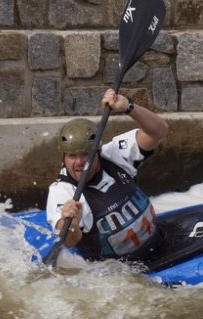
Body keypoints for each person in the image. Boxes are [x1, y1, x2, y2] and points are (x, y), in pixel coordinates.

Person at [45, 88, 169, 262]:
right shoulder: (62, 192)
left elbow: (159, 131)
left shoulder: (113, 155)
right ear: (63, 156)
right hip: (125, 272)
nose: (79, 162)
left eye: (86, 154)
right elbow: (70, 241)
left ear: (98, 151)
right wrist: (72, 224)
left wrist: (128, 107)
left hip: (159, 240)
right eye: (72, 155)